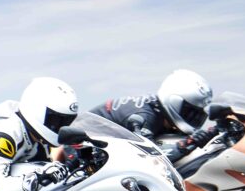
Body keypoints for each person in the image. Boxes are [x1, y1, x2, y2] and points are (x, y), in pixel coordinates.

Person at [89, 69, 218, 162]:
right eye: (190, 112)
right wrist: (187, 144)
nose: (194, 118)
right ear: (174, 101)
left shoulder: (158, 110)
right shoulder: (144, 117)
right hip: (86, 152)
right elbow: (149, 158)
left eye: (198, 115)